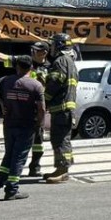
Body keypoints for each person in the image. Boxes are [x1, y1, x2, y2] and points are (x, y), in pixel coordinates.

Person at [0, 55, 46, 201]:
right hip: (27, 126)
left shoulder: (6, 80)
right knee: (19, 157)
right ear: (31, 67)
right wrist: (39, 124)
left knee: (9, 155)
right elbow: (42, 109)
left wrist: (1, 102)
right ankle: (12, 189)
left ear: (17, 66)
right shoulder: (36, 85)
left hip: (9, 124)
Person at [42, 32, 77, 183]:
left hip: (61, 108)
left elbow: (55, 83)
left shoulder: (60, 61)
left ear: (59, 46)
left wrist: (45, 100)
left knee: (60, 140)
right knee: (60, 139)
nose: (51, 47)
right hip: (65, 109)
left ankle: (63, 170)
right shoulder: (69, 61)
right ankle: (61, 168)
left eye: (53, 44)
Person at [26, 41, 51, 177]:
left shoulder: (50, 67)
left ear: (44, 53)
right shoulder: (26, 63)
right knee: (23, 138)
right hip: (25, 107)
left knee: (38, 141)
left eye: (36, 50)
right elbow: (6, 58)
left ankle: (35, 166)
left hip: (40, 108)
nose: (33, 52)